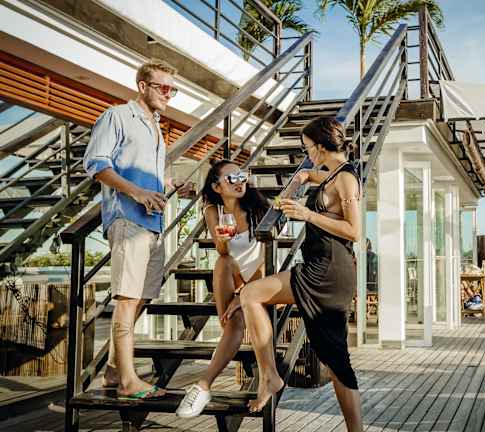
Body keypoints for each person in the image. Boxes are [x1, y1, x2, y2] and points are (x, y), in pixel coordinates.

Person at [223, 116, 362, 430]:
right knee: (335, 361)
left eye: (307, 147)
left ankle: (270, 376)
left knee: (252, 294)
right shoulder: (332, 173)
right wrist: (299, 180)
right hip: (319, 266)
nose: (306, 153)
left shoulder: (346, 179)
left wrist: (306, 214)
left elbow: (354, 230)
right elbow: (308, 174)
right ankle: (271, 376)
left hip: (329, 272)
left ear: (320, 146)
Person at [83, 59, 193, 400]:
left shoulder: (155, 127)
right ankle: (129, 381)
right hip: (128, 220)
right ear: (142, 85)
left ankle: (114, 370)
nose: (169, 94)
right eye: (163, 87)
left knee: (142, 297)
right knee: (128, 299)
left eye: (173, 89)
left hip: (153, 224)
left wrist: (169, 184)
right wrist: (136, 193)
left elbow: (144, 173)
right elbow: (96, 164)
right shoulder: (117, 116)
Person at [175, 160, 269, 417]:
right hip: (234, 275)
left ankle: (203, 384)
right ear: (217, 187)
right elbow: (222, 251)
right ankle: (203, 388)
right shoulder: (212, 210)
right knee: (223, 264)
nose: (239, 181)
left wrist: (245, 293)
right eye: (231, 178)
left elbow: (266, 260)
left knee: (235, 318)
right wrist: (224, 241)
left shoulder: (260, 208)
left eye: (241, 176)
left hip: (262, 280)